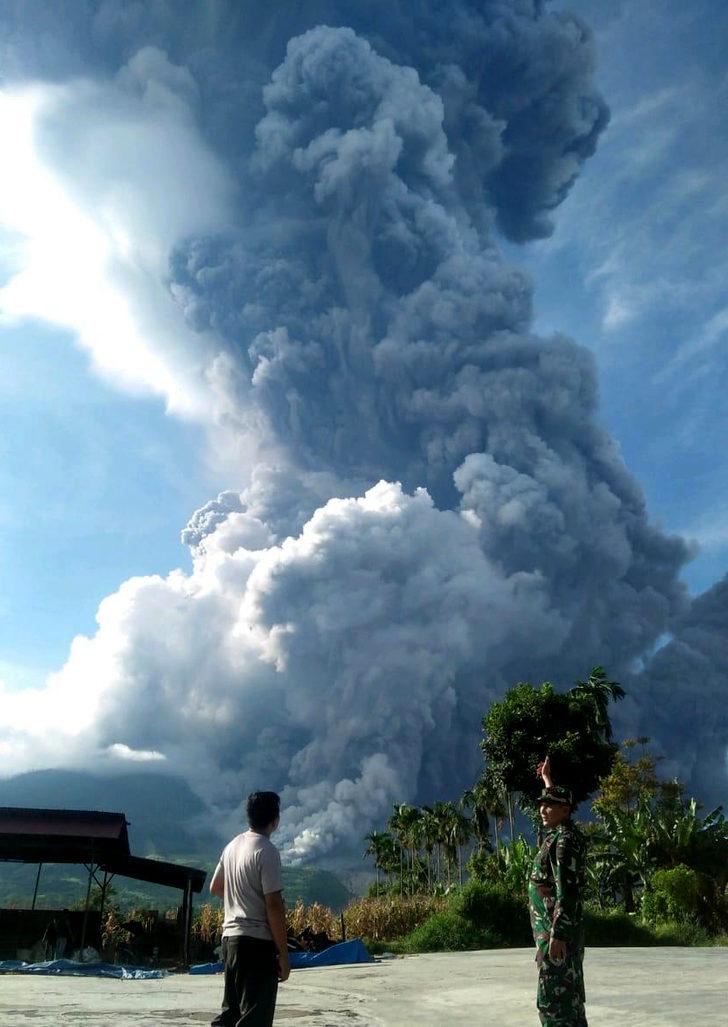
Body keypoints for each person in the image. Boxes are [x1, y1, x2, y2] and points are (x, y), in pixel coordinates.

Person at [210, 790, 289, 1027]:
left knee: (231, 1012)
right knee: (255, 1016)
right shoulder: (266, 851)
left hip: (230, 940)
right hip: (256, 944)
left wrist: (239, 900)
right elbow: (274, 905)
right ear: (275, 821)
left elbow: (215, 887)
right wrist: (284, 955)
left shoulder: (232, 846)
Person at [529, 756, 588, 1027]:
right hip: (553, 936)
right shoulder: (558, 835)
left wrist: (558, 935)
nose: (543, 809)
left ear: (565, 810)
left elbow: (568, 890)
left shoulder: (564, 842)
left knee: (555, 1004)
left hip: (557, 939)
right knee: (570, 1003)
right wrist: (547, 780)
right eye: (542, 804)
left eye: (550, 806)